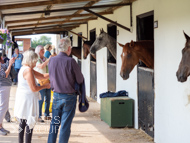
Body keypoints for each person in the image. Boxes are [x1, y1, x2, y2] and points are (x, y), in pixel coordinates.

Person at [48, 37, 84, 143]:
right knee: (65, 125)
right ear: (69, 48)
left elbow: (51, 76)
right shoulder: (71, 61)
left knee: (54, 124)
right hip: (69, 97)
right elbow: (80, 79)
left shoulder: (52, 60)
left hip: (56, 96)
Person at [14, 50, 50, 143]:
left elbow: (42, 76)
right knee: (29, 124)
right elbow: (34, 88)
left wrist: (54, 74)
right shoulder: (28, 70)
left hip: (24, 99)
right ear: (30, 60)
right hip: (28, 100)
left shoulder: (25, 68)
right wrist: (45, 86)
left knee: (23, 123)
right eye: (34, 61)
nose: (35, 63)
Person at [34, 45, 52, 122]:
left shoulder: (45, 58)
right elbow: (41, 66)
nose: (43, 51)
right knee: (40, 100)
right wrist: (49, 60)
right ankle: (39, 115)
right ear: (38, 52)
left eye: (43, 50)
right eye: (41, 50)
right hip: (40, 82)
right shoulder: (37, 59)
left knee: (48, 98)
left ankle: (47, 115)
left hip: (47, 81)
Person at [0, 53, 15, 135]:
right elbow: (5, 75)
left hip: (4, 86)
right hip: (3, 86)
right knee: (3, 107)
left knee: (3, 107)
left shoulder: (1, 64)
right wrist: (10, 64)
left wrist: (10, 63)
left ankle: (1, 126)